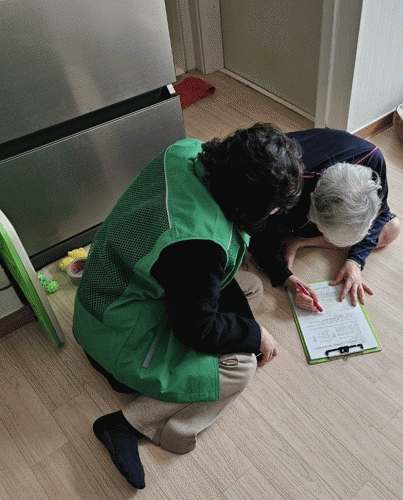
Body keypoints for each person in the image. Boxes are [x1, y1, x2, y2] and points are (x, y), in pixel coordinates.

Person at [71, 123, 303, 489]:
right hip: (115, 335)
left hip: (108, 289)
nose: (271, 216)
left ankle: (158, 400)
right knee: (240, 367)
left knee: (251, 287)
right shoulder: (199, 246)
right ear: (248, 205)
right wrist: (253, 334)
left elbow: (203, 268)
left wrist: (246, 327)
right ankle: (128, 424)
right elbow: (196, 327)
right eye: (270, 211)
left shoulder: (188, 152)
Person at [248, 128, 400, 311]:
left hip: (307, 200)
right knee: (263, 239)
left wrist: (356, 260)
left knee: (392, 229)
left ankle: (299, 242)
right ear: (316, 220)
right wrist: (288, 280)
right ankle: (294, 238)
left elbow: (382, 213)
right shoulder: (282, 185)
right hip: (279, 195)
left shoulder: (372, 160)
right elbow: (255, 239)